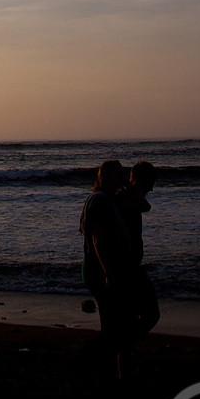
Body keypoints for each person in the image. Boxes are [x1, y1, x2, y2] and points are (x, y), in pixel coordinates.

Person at [80, 159, 136, 377]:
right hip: (102, 271)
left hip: (98, 270)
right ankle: (96, 364)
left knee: (112, 324)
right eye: (120, 175)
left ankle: (109, 369)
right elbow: (98, 240)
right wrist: (109, 273)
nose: (124, 178)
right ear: (109, 177)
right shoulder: (101, 201)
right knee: (115, 325)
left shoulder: (98, 199)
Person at [120, 161, 161, 337]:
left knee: (132, 316)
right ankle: (124, 343)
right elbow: (146, 207)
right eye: (150, 183)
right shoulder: (127, 198)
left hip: (129, 266)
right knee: (150, 314)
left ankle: (124, 347)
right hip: (127, 268)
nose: (151, 189)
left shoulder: (127, 196)